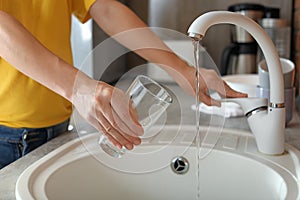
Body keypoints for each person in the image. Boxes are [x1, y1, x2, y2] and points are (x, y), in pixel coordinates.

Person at [0, 0, 247, 169]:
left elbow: (105, 8)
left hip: (57, 127)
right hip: (5, 134)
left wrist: (182, 70)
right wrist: (78, 87)